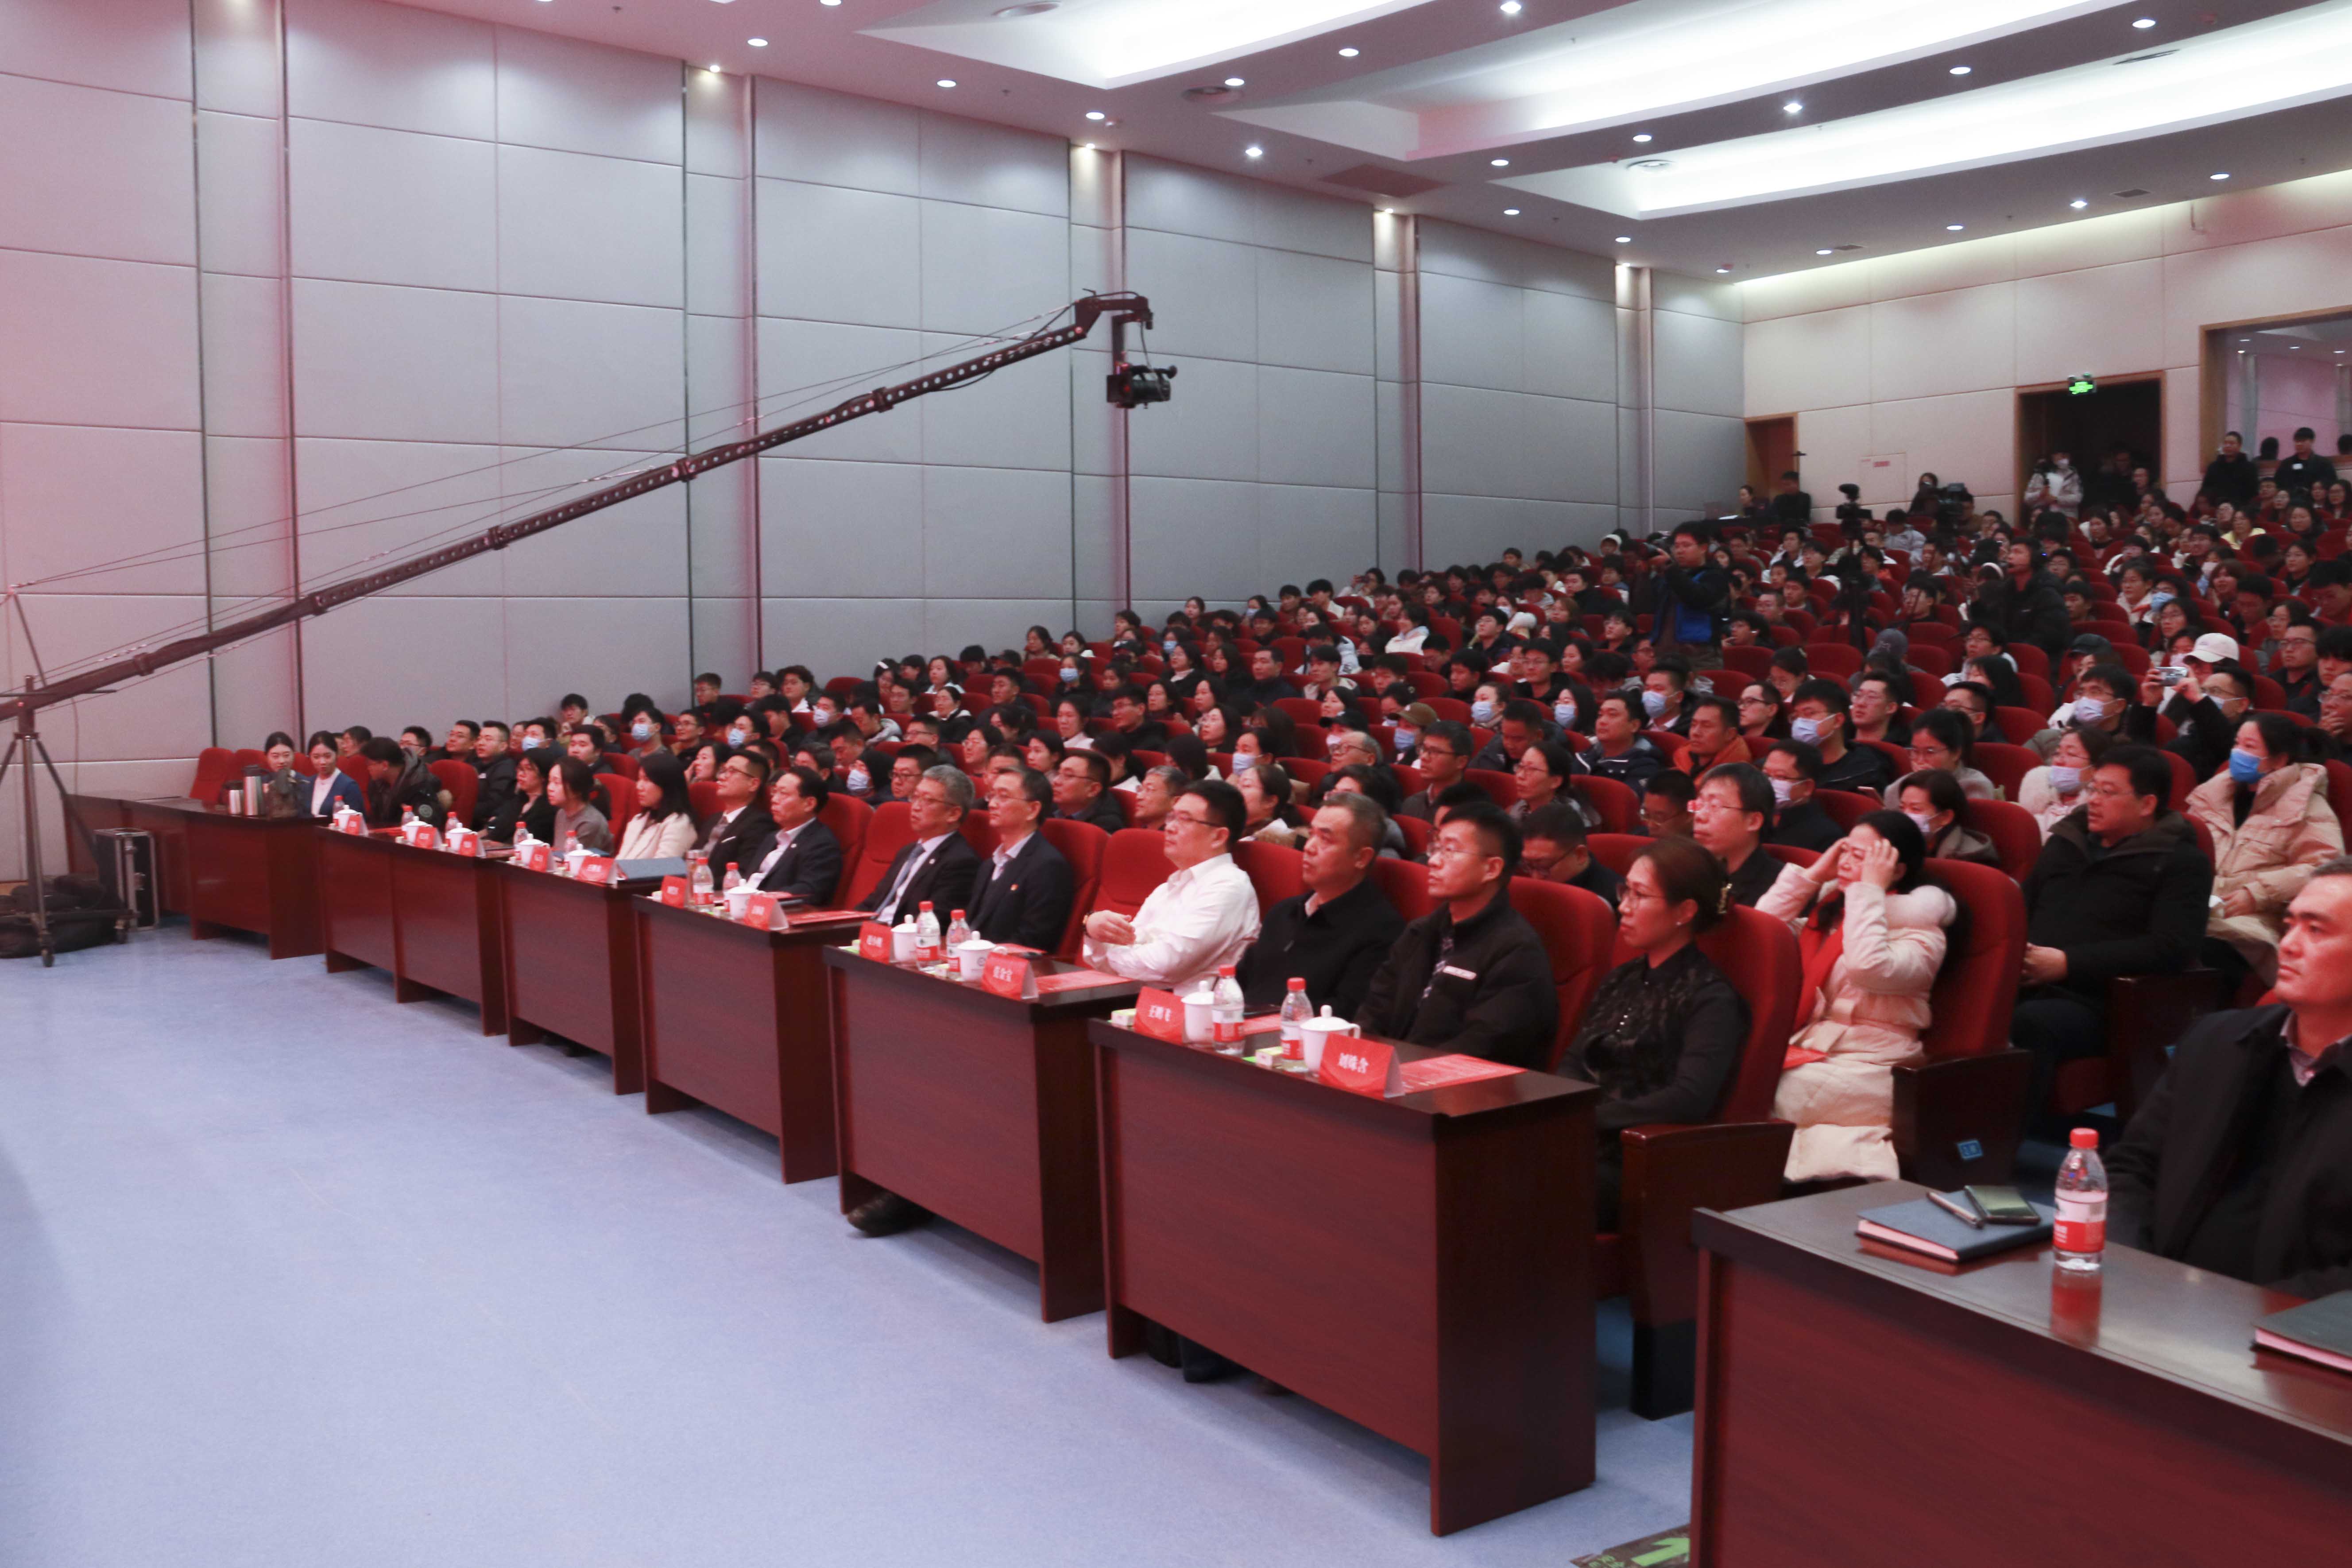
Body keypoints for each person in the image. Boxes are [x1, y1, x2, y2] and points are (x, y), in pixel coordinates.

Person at [2102, 859, 2352, 1297]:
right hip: (2155, 1298)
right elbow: (2133, 1167)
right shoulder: (2215, 1041)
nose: (2288, 945)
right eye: (2289, 925)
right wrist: (2133, 1269)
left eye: (2315, 930)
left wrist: (2256, 1317)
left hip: (2290, 1326)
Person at [2014, 746, 2213, 1121]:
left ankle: (2001, 1144)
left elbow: (2172, 947)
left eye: (2108, 792)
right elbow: (2022, 905)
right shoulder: (2066, 841)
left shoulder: (2181, 862)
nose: (2093, 800)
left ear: (2147, 803)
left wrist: (2068, 964)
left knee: (2030, 1022)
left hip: (2107, 1001)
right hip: (2029, 978)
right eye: (2093, 789)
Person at [1560, 836, 1749, 1227]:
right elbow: (1575, 1060)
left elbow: (1689, 1098)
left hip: (1640, 1158)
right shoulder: (1622, 978)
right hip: (1582, 1136)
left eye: (1640, 895)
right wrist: (1556, 1113)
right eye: (1625, 891)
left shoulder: (1710, 997)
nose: (1624, 907)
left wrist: (1590, 1118)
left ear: (1685, 911)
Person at [1758, 812, 1954, 1181]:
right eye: (1845, 851)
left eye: (1862, 857)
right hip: (1813, 1048)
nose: (1846, 863)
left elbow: (1869, 967)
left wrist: (1868, 892)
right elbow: (1763, 931)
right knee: (1740, 1071)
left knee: (1761, 1088)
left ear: (1897, 871)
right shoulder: (1831, 915)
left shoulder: (1923, 933)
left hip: (1873, 1062)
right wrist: (1814, 875)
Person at [1355, 800, 1559, 1069]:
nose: (1434, 861)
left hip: (1457, 1087)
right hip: (1389, 1076)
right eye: (1436, 848)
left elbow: (1483, 1048)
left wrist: (1403, 1074)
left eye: (1450, 851)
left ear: (1492, 869)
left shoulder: (1517, 952)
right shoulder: (1420, 932)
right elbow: (1375, 1010)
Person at [2186, 711, 2344, 989]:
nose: (2237, 753)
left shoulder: (2306, 806)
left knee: (2191, 953)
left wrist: (2258, 894)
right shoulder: (2213, 794)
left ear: (2279, 760)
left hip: (2252, 924)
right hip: (2195, 908)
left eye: (2249, 747)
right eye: (2237, 744)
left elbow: (2325, 870)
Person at [1234, 794, 1405, 1018]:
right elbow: (1239, 982)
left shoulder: (1382, 931)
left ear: (1362, 858)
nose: (1309, 847)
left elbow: (1346, 1013)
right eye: (1312, 834)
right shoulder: (1283, 912)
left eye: (1325, 839)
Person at [1081, 780, 1261, 991]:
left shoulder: (1229, 887)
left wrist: (1110, 952)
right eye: (1172, 817)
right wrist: (1092, 929)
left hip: (1191, 1008)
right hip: (1138, 999)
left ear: (1218, 837)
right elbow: (1122, 960)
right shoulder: (1170, 887)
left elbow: (1165, 966)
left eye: (1185, 819)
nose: (1170, 827)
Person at [855, 766, 982, 926]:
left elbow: (934, 922)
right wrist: (845, 924)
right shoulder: (908, 852)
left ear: (953, 814)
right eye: (915, 797)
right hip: (871, 931)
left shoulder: (961, 862)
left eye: (928, 800)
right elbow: (874, 902)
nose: (916, 807)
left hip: (900, 936)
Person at [967, 767, 1076, 950]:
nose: (992, 804)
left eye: (1003, 796)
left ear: (1033, 810)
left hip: (1008, 964)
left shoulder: (1048, 866)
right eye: (992, 796)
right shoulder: (990, 864)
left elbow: (1035, 940)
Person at [1692, 763, 1784, 907]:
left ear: (1753, 821)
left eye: (1715, 805)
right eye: (1699, 804)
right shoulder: (1688, 870)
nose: (1699, 816)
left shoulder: (1781, 890)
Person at [749, 766, 842, 905]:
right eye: (774, 792)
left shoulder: (822, 844)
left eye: (783, 794)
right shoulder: (771, 838)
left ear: (809, 804)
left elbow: (809, 892)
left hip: (773, 912)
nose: (774, 799)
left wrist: (761, 899)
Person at [1788, 678, 1894, 794]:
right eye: (1797, 716)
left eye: (1809, 713)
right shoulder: (1787, 762)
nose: (1800, 722)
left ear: (1838, 721)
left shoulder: (1866, 772)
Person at [1518, 801, 1621, 908]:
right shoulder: (1528, 891)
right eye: (1528, 865)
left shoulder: (1614, 902)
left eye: (1543, 867)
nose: (1535, 878)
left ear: (1580, 855)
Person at [2018, 724, 2113, 839]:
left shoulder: (2094, 820)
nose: (2059, 761)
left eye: (2071, 754)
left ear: (2096, 768)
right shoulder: (2036, 803)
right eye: (2057, 753)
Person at [694, 750, 778, 882]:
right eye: (723, 770)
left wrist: (697, 883)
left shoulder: (760, 825)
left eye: (732, 771)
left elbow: (742, 875)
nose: (722, 777)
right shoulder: (713, 819)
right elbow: (690, 859)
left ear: (753, 784)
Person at [1895, 769, 2002, 867]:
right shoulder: (1897, 844)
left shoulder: (1970, 858)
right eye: (1902, 808)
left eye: (1916, 809)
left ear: (1945, 817)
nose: (1905, 816)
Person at [1887, 708, 1995, 803]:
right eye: (1915, 751)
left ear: (1956, 753)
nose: (1920, 760)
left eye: (1930, 752)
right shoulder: (1897, 788)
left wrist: (1931, 785)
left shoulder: (1975, 786)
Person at [615, 749, 697, 861]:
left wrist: (620, 870)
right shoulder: (638, 820)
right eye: (639, 779)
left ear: (666, 785)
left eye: (647, 780)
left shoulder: (679, 824)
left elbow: (663, 868)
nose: (639, 787)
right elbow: (620, 860)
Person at [1762, 739, 1841, 852]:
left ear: (1808, 787)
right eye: (1766, 775)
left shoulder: (1827, 837)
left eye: (1781, 777)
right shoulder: (1753, 817)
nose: (1769, 783)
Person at [1582, 691, 1666, 792]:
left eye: (1612, 715)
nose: (1602, 721)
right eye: (1600, 715)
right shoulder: (1589, 753)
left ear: (1634, 726)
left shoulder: (1645, 767)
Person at [359, 736, 445, 829]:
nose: (368, 768)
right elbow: (375, 820)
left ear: (385, 765)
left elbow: (426, 825)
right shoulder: (376, 784)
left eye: (370, 764)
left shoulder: (419, 785)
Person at [543, 755, 613, 853]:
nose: (550, 788)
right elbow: (558, 852)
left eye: (557, 783)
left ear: (576, 790)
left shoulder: (591, 823)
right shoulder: (561, 813)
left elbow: (577, 859)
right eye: (550, 782)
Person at [482, 750, 553, 845]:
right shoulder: (516, 802)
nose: (521, 774)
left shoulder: (548, 809)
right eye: (520, 769)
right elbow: (496, 834)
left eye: (529, 769)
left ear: (543, 776)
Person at [1051, 751, 1126, 835]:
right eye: (1058, 773)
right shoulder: (1047, 805)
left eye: (1069, 775)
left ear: (1093, 789)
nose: (1056, 781)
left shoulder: (1104, 827)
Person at [298, 731, 363, 818]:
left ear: (336, 755)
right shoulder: (307, 784)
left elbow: (357, 820)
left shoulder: (349, 786)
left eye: (327, 756)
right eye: (316, 757)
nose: (322, 762)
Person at [1640, 769, 1696, 838]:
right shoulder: (1637, 837)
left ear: (1689, 815)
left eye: (1658, 818)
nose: (1650, 826)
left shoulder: (1704, 843)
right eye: (1647, 815)